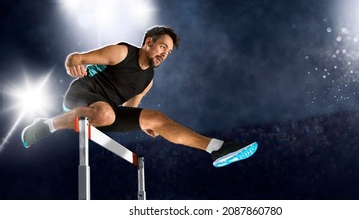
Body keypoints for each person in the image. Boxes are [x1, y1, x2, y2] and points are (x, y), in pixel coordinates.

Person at [21, 26, 258, 167]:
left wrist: (143, 124)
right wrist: (73, 63)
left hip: (107, 111)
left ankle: (217, 148)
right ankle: (48, 124)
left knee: (156, 118)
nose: (165, 53)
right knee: (104, 112)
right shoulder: (123, 52)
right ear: (148, 43)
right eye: (163, 47)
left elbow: (129, 109)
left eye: (169, 52)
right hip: (83, 95)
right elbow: (76, 57)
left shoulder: (148, 80)